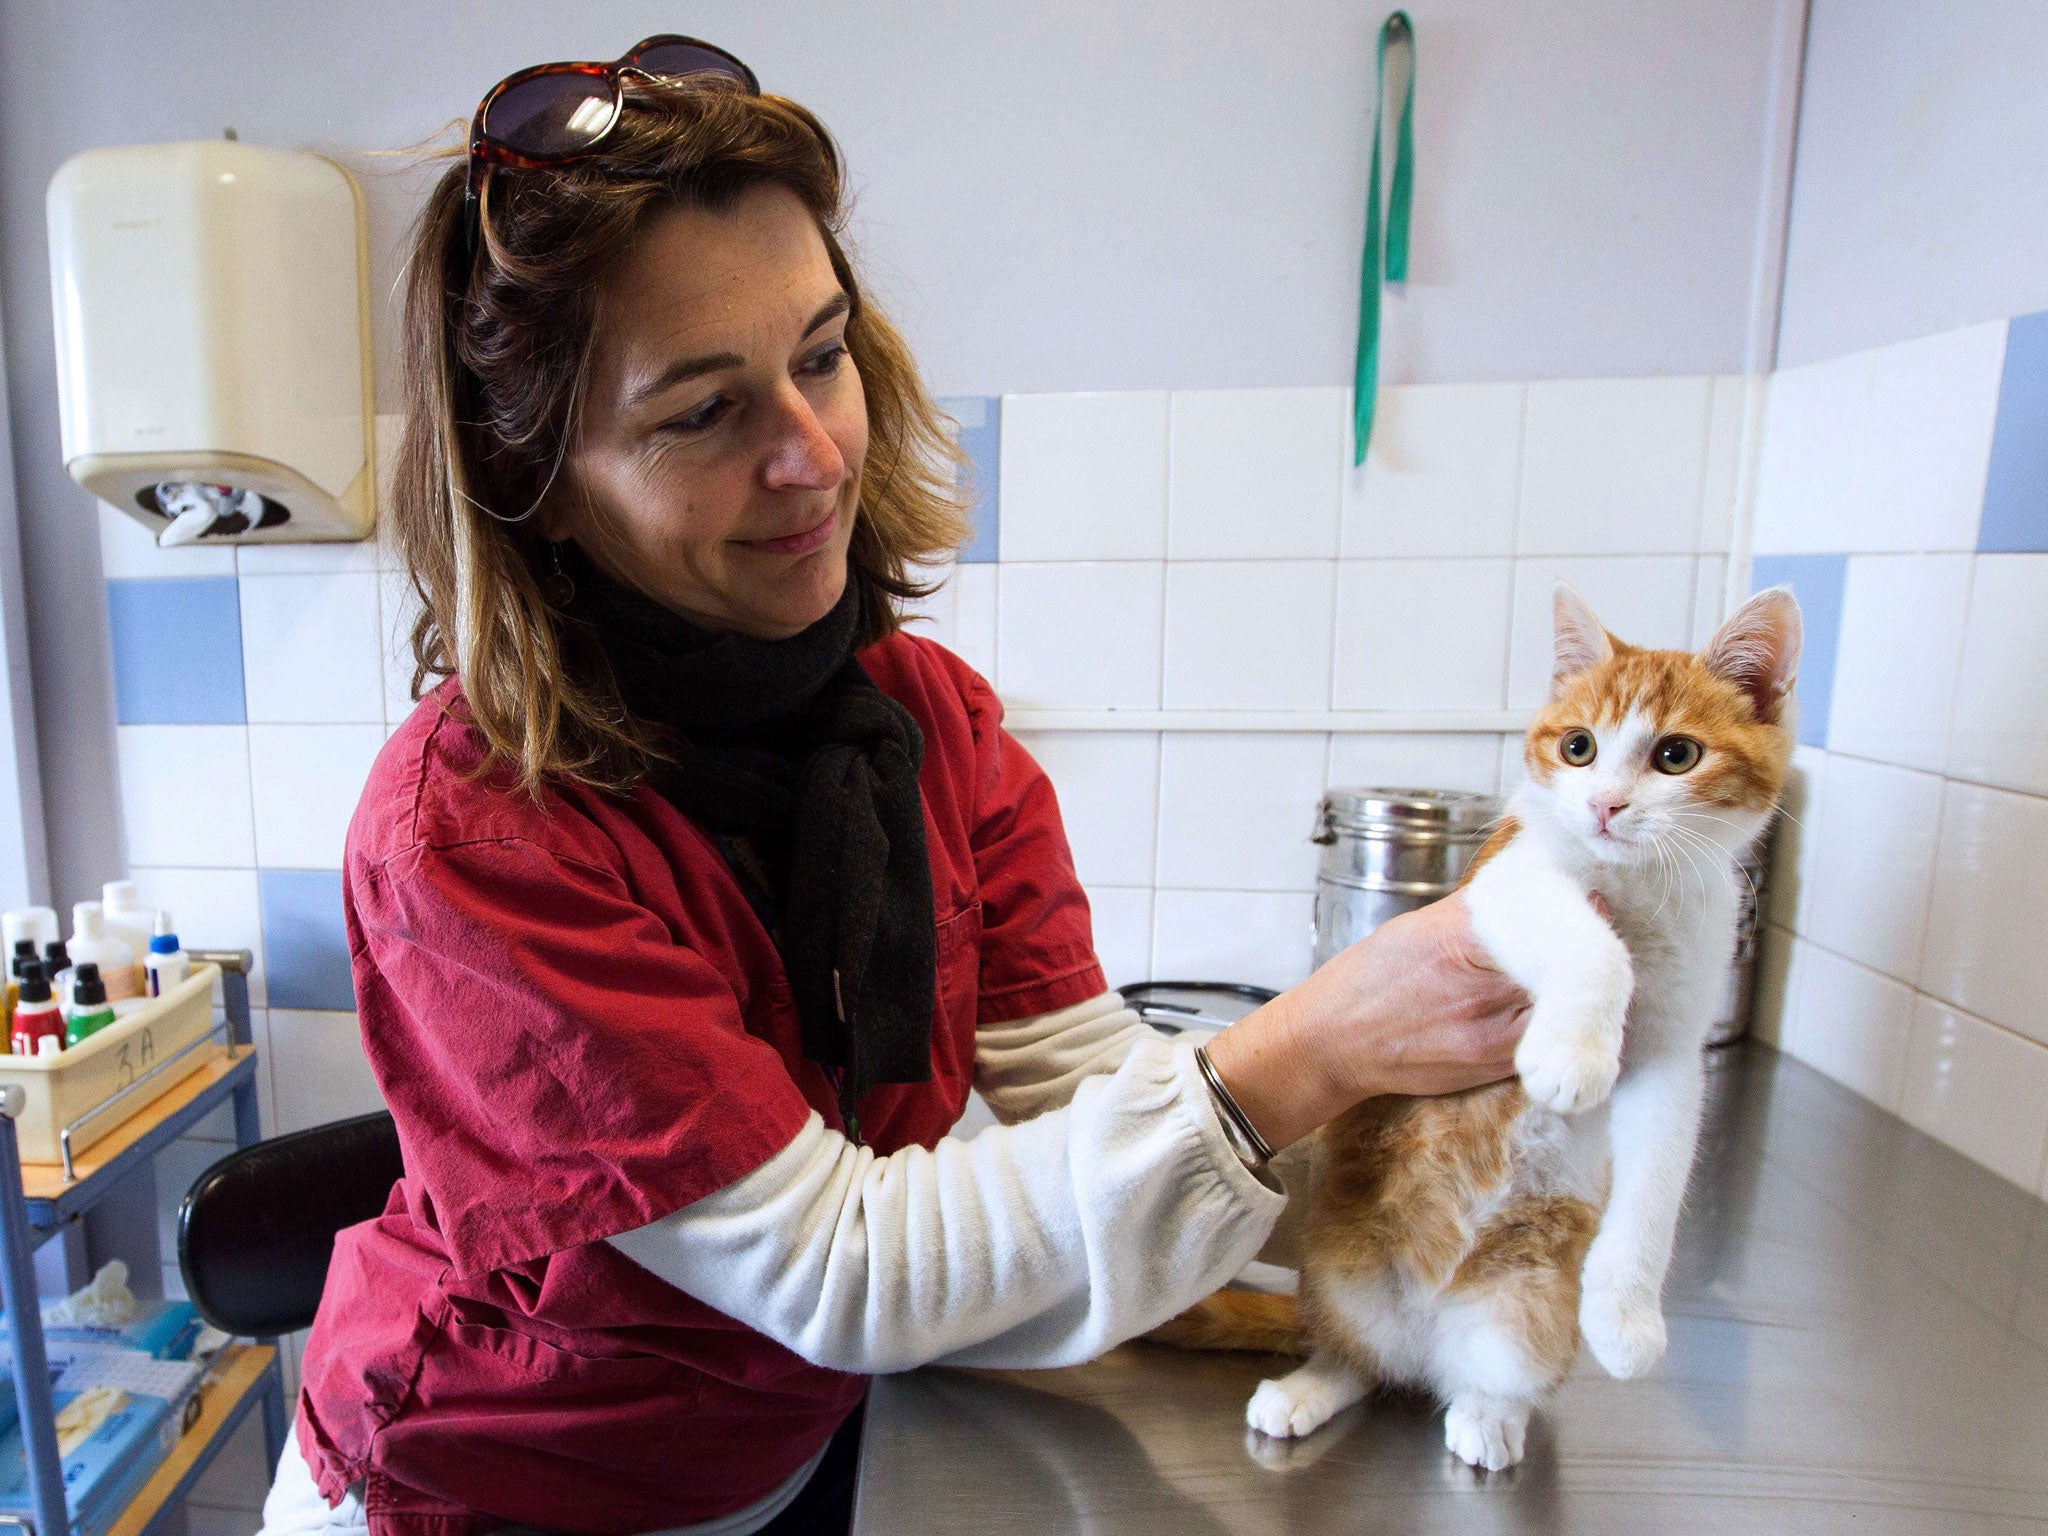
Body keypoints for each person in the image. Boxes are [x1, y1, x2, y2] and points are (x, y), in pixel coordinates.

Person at [260, 37, 1533, 1536]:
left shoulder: (927, 723)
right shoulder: (476, 836)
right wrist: (1311, 1045)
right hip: (502, 1490)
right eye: (701, 413)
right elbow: (840, 1268)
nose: (812, 457)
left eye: (819, 357)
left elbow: (1097, 1097)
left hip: (791, 1444)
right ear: (535, 482)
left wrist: (1426, 1145)